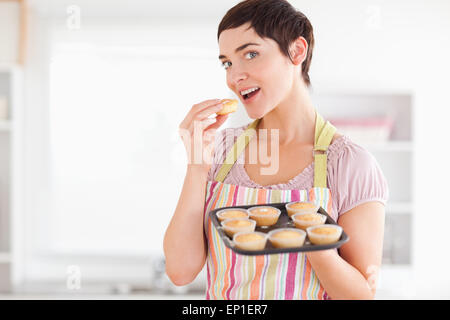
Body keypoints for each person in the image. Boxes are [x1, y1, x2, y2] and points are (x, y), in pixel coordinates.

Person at [164, 0, 389, 300]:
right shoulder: (219, 150)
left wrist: (309, 237)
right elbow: (180, 271)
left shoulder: (350, 164)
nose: (234, 78)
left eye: (251, 54)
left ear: (297, 51)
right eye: (227, 62)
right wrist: (196, 165)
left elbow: (362, 295)